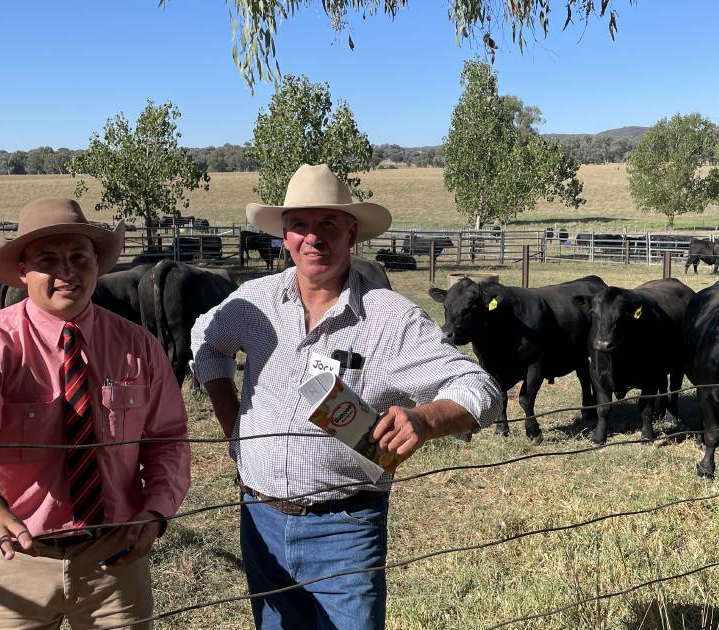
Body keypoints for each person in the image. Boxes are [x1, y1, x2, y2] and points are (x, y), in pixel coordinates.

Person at [190, 164, 502, 630]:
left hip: (345, 528)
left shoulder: (389, 318)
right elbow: (204, 340)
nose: (313, 238)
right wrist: (231, 420)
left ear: (351, 233)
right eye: (300, 225)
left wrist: (425, 419)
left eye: (328, 225)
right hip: (260, 519)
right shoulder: (252, 303)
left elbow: (482, 389)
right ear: (285, 235)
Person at [0, 198, 190, 629]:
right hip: (11, 552)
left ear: (96, 264)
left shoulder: (138, 346)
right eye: (48, 259)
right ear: (23, 272)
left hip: (113, 554)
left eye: (79, 257)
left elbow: (168, 440)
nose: (67, 271)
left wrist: (156, 511)